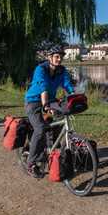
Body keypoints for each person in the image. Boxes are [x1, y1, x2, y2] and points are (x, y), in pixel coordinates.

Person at [24, 46, 74, 178]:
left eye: (61, 57)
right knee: (40, 128)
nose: (59, 59)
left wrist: (74, 95)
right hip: (33, 101)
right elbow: (43, 87)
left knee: (58, 122)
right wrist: (46, 105)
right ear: (50, 57)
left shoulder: (61, 71)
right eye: (56, 56)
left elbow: (67, 84)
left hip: (50, 99)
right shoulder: (41, 69)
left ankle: (50, 151)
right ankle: (31, 163)